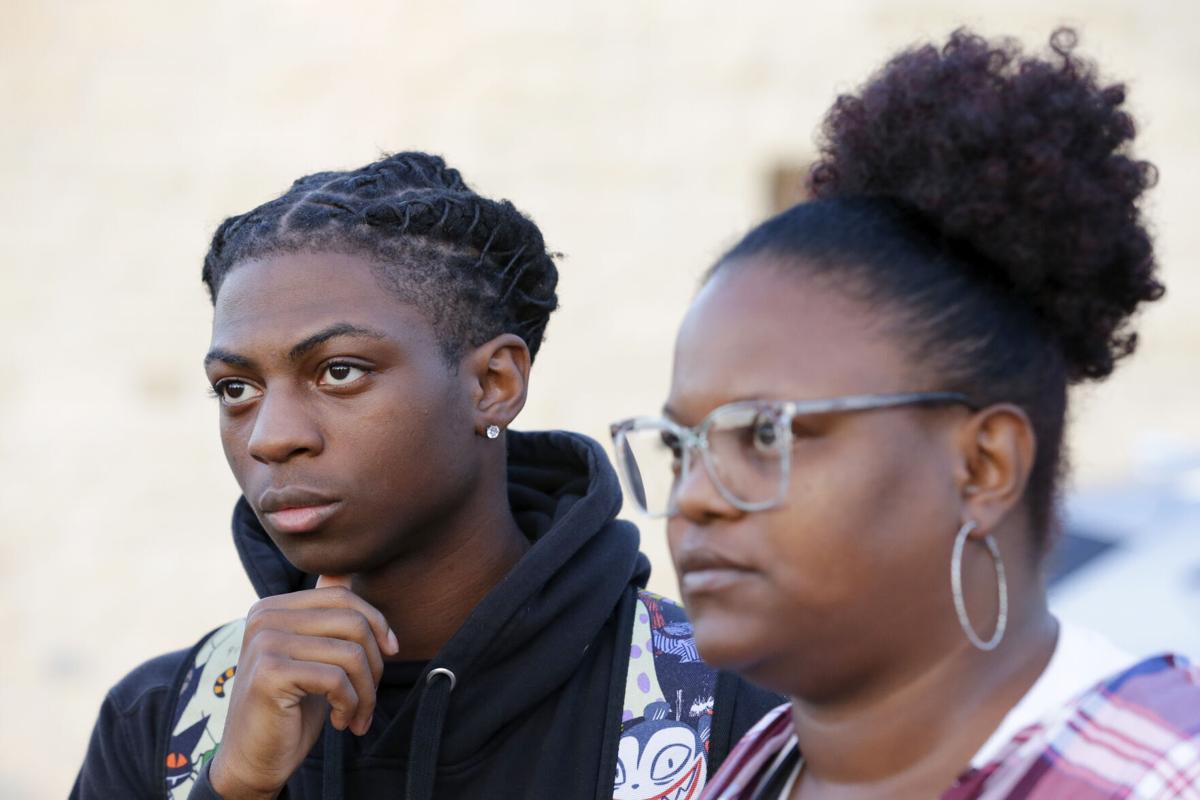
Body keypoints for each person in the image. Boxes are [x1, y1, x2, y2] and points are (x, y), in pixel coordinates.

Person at [72, 151, 779, 800]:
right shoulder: (164, 724)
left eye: (338, 372)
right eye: (236, 389)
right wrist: (235, 788)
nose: (270, 437)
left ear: (493, 384)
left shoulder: (725, 717)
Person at [609, 28, 1200, 799]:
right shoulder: (748, 768)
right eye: (682, 448)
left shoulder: (1149, 778)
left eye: (764, 433)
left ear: (983, 467)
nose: (692, 499)